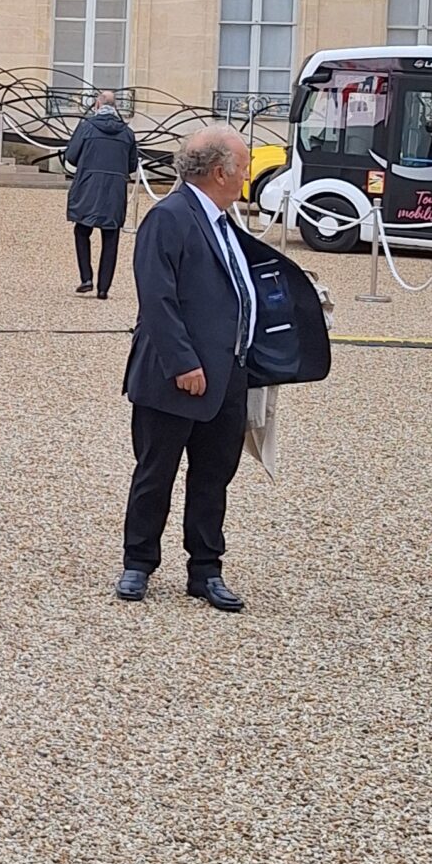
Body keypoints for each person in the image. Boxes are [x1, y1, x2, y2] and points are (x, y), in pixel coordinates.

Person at [116, 122, 325, 612]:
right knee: (155, 472)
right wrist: (184, 363)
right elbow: (157, 299)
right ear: (219, 172)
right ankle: (138, 563)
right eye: (244, 165)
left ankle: (205, 569)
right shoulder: (169, 217)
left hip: (231, 372)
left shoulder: (224, 219)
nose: (249, 172)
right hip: (176, 376)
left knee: (213, 477)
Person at [63, 87, 139, 298]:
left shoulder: (87, 127)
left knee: (81, 231)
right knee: (110, 236)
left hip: (88, 185)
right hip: (114, 189)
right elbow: (132, 164)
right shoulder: (127, 133)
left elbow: (71, 156)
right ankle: (103, 288)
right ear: (115, 108)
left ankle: (86, 277)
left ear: (98, 105)